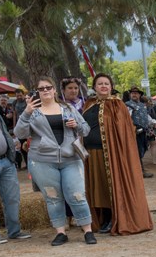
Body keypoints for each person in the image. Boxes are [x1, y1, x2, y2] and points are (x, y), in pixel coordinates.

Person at [14, 77, 96, 246]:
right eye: (41, 88)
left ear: (54, 90)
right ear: (37, 92)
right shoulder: (32, 112)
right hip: (43, 160)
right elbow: (20, 133)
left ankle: (88, 230)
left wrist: (76, 126)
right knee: (53, 197)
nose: (45, 90)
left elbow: (86, 129)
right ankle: (60, 232)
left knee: (77, 194)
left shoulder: (67, 108)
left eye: (48, 87)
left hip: (70, 158)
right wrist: (27, 112)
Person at [81, 73, 153, 235]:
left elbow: (124, 132)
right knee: (97, 188)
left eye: (107, 83)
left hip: (111, 153)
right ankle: (103, 218)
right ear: (94, 87)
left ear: (111, 87)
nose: (104, 86)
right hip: (91, 154)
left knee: (110, 186)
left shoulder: (117, 105)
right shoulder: (89, 104)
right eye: (100, 84)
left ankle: (115, 217)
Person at [0, 86, 30, 244]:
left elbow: (4, 132)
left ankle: (14, 231)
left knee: (12, 198)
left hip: (7, 161)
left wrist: (12, 145)